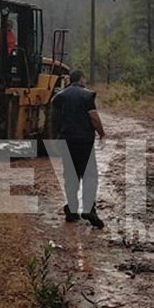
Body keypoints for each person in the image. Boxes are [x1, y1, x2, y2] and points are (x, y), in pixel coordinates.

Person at [51, 70, 106, 228]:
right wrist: (102, 133)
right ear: (81, 79)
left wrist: (56, 138)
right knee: (89, 175)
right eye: (84, 78)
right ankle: (89, 209)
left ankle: (72, 209)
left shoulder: (59, 97)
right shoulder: (87, 96)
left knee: (70, 176)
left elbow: (54, 120)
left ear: (70, 80)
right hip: (84, 142)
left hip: (66, 141)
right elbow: (93, 117)